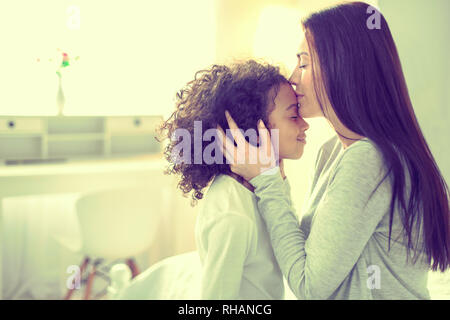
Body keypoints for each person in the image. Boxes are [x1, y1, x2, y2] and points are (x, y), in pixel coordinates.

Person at [218, 2, 449, 299]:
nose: (292, 77)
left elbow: (309, 286)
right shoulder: (331, 152)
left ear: (343, 65)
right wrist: (273, 176)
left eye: (303, 63)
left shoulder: (368, 160)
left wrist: (268, 181)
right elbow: (307, 255)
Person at [158, 60, 309, 299]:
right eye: (293, 116)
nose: (305, 124)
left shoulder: (262, 187)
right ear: (252, 129)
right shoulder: (232, 216)